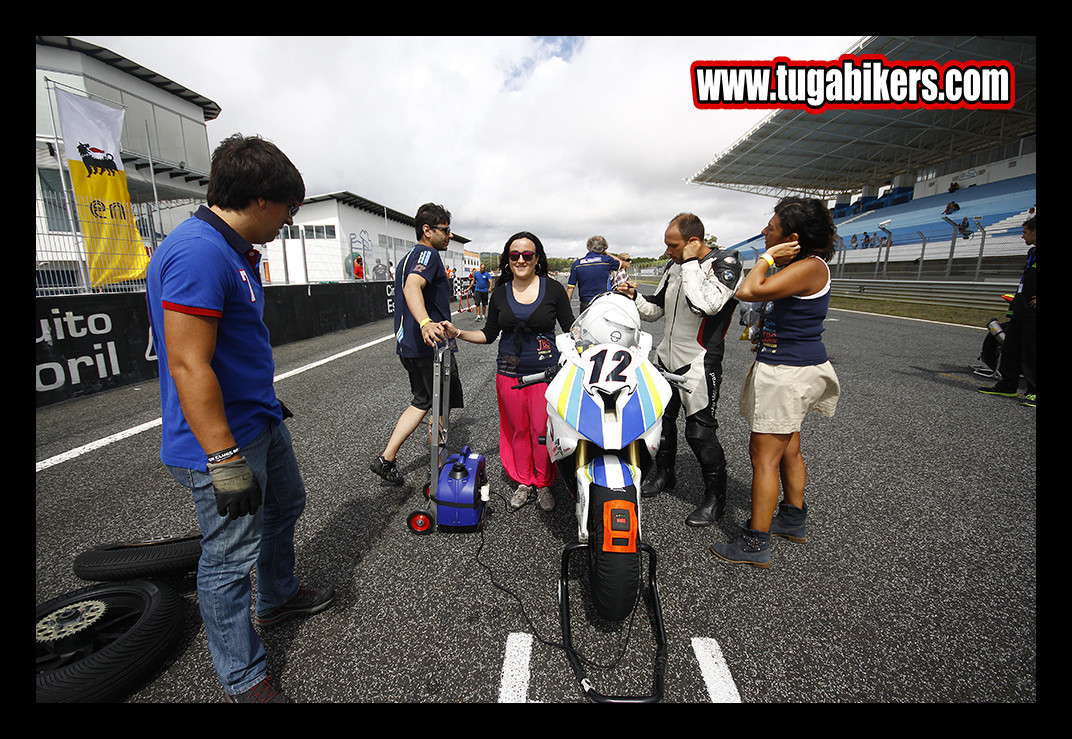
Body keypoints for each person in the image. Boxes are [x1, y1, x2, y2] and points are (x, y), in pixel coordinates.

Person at [145, 134, 334, 703]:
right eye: (289, 209)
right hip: (222, 443)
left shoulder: (229, 251)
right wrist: (225, 458)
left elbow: (231, 349)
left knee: (286, 504)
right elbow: (186, 362)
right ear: (259, 200)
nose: (289, 221)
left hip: (259, 420)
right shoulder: (200, 252)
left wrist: (265, 404)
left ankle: (276, 598)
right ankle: (242, 675)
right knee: (228, 558)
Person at [710, 197, 841, 568]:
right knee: (788, 448)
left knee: (763, 458)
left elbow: (747, 290)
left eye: (771, 228)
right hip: (791, 367)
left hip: (787, 374)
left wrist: (767, 258)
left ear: (792, 237)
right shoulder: (805, 266)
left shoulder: (809, 266)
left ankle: (755, 542)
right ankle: (792, 519)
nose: (765, 232)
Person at [615, 213, 742, 527]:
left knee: (700, 434)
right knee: (663, 424)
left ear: (693, 242)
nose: (667, 252)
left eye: (673, 246)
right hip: (665, 359)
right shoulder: (673, 266)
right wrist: (633, 297)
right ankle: (664, 475)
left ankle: (716, 499)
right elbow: (656, 309)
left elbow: (707, 306)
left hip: (699, 363)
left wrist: (688, 264)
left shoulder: (725, 264)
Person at [445, 233, 573, 510]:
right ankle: (524, 480)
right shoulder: (500, 292)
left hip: (546, 374)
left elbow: (571, 328)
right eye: (514, 255)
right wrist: (459, 332)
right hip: (509, 374)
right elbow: (489, 334)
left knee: (543, 430)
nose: (521, 260)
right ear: (507, 260)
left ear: (537, 259)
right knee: (517, 430)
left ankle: (544, 482)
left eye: (527, 255)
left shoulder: (553, 290)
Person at [370, 203, 462, 485]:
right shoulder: (428, 253)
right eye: (445, 230)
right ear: (427, 230)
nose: (450, 236)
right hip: (430, 345)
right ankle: (440, 471)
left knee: (421, 401)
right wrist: (425, 323)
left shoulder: (407, 256)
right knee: (440, 406)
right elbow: (412, 287)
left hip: (408, 347)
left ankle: (386, 458)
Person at [978, 215, 1036, 406]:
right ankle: (1007, 385)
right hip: (1022, 308)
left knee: (1031, 352)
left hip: (1034, 314)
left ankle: (1034, 392)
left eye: (1025, 232)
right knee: (1011, 349)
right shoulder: (1032, 253)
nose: (1022, 236)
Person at [567, 235, 630, 313]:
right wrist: (606, 252)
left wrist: (565, 309)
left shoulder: (577, 264)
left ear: (588, 247)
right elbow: (623, 264)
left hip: (585, 304)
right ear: (604, 247)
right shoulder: (607, 260)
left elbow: (570, 288)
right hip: (602, 303)